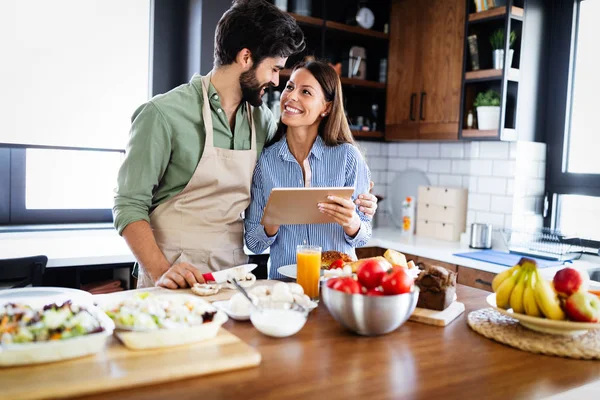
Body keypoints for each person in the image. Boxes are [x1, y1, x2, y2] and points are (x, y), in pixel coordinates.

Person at [113, 0, 379, 289]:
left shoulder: (262, 122)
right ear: (245, 57)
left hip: (232, 278)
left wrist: (363, 202)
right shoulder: (162, 115)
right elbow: (128, 204)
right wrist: (161, 270)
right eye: (275, 69)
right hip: (171, 277)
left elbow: (305, 151)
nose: (277, 82)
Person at [245, 61, 372, 279]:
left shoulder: (348, 158)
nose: (292, 96)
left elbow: (363, 237)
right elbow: (254, 243)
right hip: (284, 289)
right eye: (290, 87)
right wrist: (272, 222)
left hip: (335, 287)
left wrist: (352, 222)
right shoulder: (266, 161)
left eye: (306, 92)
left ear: (327, 107)